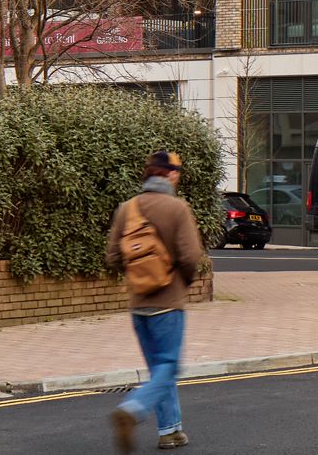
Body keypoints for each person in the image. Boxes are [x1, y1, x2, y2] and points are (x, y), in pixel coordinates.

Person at [106, 148, 206, 452]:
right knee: (169, 367)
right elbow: (191, 256)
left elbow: (113, 257)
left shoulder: (127, 208)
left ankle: (170, 431)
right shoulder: (177, 208)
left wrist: (138, 275)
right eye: (177, 173)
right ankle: (132, 408)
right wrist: (181, 282)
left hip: (139, 304)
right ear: (170, 175)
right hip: (168, 303)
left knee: (159, 370)